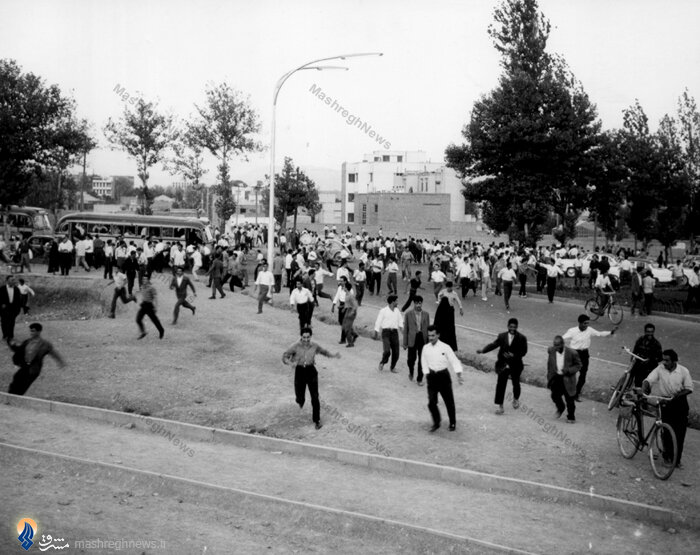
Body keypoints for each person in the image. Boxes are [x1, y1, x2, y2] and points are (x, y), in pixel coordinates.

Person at [282, 326, 341, 430]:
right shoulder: (295, 346)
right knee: (300, 396)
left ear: (310, 336)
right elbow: (284, 356)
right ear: (301, 337)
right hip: (300, 371)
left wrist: (333, 355)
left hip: (311, 371)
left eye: (308, 337)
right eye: (304, 337)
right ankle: (300, 401)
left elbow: (324, 352)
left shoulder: (314, 346)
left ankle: (317, 420)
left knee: (315, 397)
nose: (306, 340)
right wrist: (290, 363)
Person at [643, 349, 693, 468]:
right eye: (663, 359)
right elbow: (649, 379)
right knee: (666, 432)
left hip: (680, 403)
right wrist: (645, 385)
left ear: (674, 361)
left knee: (680, 433)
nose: (664, 362)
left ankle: (677, 459)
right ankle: (667, 457)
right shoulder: (660, 369)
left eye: (667, 360)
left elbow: (689, 388)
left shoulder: (683, 371)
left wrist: (676, 396)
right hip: (665, 403)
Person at [477, 317, 528, 414]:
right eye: (511, 326)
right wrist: (483, 350)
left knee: (516, 383)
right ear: (508, 326)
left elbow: (524, 351)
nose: (512, 329)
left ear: (517, 327)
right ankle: (500, 406)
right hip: (503, 364)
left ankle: (516, 398)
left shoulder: (522, 338)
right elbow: (493, 345)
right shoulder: (502, 336)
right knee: (500, 385)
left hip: (516, 364)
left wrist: (514, 355)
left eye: (514, 327)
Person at [562, 314, 615, 401]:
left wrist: (610, 332)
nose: (586, 326)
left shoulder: (589, 330)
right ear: (579, 323)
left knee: (583, 375)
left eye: (588, 323)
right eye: (584, 323)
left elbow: (599, 334)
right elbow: (563, 338)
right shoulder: (572, 331)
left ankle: (576, 393)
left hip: (584, 355)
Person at [421, 325, 463, 432]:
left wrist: (458, 374)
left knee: (449, 402)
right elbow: (424, 362)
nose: (430, 338)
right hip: (432, 378)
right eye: (429, 335)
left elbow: (454, 360)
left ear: (438, 335)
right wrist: (426, 374)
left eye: (433, 335)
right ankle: (436, 421)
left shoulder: (445, 347)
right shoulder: (425, 348)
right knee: (431, 402)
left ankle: (452, 423)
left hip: (443, 376)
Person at [8, 323, 65, 395]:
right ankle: (10, 396)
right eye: (30, 331)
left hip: (33, 369)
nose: (31, 333)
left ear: (39, 332)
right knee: (16, 379)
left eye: (33, 331)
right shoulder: (27, 341)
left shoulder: (45, 344)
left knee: (23, 385)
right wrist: (11, 345)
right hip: (25, 366)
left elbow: (53, 353)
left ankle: (15, 398)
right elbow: (19, 350)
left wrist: (60, 362)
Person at [546, 335, 582, 423]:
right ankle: (561, 407)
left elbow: (579, 365)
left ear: (563, 344)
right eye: (554, 345)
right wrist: (549, 377)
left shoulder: (572, 353)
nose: (556, 347)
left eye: (558, 345)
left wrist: (568, 370)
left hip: (568, 378)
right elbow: (549, 364)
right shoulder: (551, 350)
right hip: (556, 378)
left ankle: (571, 417)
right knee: (554, 395)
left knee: (569, 399)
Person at [403, 295, 429, 386]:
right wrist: (405, 343)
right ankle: (411, 371)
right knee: (411, 359)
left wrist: (429, 343)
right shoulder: (408, 314)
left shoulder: (426, 314)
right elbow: (405, 329)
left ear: (422, 303)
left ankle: (419, 379)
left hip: (422, 338)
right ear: (414, 303)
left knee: (422, 360)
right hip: (412, 338)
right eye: (416, 303)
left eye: (420, 303)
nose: (418, 305)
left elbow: (428, 329)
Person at [374, 294, 403, 373]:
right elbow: (378, 322)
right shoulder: (383, 311)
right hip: (386, 333)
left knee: (396, 352)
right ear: (392, 302)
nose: (397, 302)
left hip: (394, 333)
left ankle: (392, 367)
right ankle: (382, 362)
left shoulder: (397, 311)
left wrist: (404, 334)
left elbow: (400, 323)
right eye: (396, 301)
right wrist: (376, 332)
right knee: (387, 351)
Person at [434, 282, 462, 352]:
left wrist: (461, 308)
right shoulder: (443, 292)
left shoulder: (454, 294)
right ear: (446, 287)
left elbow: (458, 301)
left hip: (450, 310)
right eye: (448, 287)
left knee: (450, 326)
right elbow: (438, 295)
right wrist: (439, 301)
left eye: (450, 287)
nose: (449, 288)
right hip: (443, 310)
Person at [0, 275, 23, 343]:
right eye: (12, 280)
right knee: (4, 322)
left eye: (14, 280)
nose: (14, 281)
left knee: (11, 322)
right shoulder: (2, 288)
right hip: (4, 309)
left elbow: (19, 300)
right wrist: (1, 304)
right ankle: (5, 336)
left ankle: (10, 336)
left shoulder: (16, 289)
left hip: (13, 309)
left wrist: (18, 309)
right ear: (7, 281)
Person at [341, 281, 358, 348]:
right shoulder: (347, 294)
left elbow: (355, 305)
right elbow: (348, 304)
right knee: (344, 326)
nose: (343, 287)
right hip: (348, 310)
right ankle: (354, 334)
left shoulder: (350, 296)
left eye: (344, 286)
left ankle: (350, 343)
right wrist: (343, 308)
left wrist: (352, 312)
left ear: (346, 288)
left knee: (347, 328)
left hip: (351, 311)